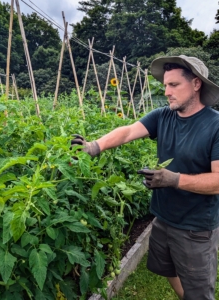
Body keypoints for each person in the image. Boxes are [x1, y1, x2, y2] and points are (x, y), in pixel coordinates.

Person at [71, 55, 219, 300]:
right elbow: (128, 130)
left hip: (196, 228)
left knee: (199, 292)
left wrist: (174, 180)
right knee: (167, 269)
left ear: (196, 84)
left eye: (174, 85)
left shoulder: (214, 126)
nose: (167, 91)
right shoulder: (163, 116)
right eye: (165, 85)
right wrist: (94, 146)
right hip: (163, 219)